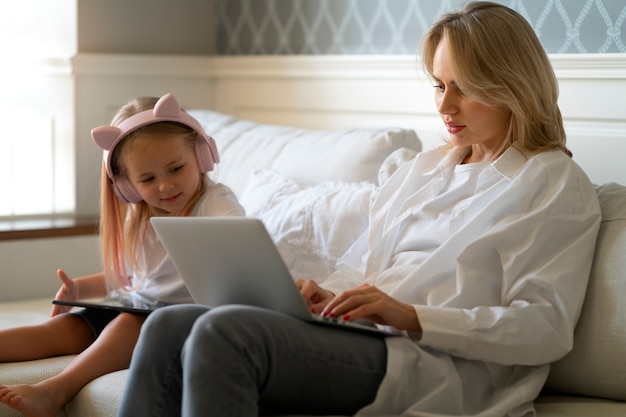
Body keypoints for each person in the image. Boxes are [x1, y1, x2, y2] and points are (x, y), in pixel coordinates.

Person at [116, 3, 602, 417]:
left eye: (464, 89)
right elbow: (367, 267)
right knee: (167, 324)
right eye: (438, 85)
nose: (444, 106)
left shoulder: (552, 183)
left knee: (225, 332)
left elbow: (544, 328)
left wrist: (413, 316)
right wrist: (326, 294)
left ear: (514, 86)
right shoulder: (423, 169)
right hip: (365, 336)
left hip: (434, 362)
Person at [0, 93, 245, 417]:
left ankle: (54, 390)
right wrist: (80, 290)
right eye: (147, 179)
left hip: (177, 321)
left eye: (176, 168)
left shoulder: (213, 202)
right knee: (62, 329)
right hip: (137, 307)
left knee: (127, 324)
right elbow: (135, 276)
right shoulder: (141, 214)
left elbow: (239, 238)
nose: (165, 186)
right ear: (127, 186)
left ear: (201, 155)